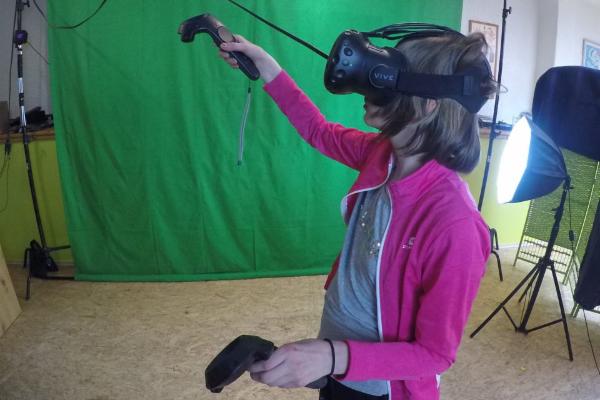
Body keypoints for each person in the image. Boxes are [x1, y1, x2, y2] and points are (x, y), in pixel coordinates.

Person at [217, 30, 495, 400]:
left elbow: (435, 355)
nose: (369, 88)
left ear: (428, 104)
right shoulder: (381, 154)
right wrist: (265, 65)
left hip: (381, 389)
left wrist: (331, 356)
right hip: (336, 364)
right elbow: (318, 131)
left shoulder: (455, 226)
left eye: (387, 78)